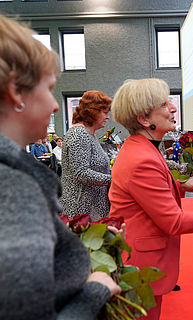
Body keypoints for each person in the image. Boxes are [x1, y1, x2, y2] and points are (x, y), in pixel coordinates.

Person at [0, 15, 120, 319]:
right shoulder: (15, 189)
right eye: (49, 89)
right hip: (83, 203)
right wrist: (95, 292)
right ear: (16, 92)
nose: (55, 106)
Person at [108, 78, 193, 320]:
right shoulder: (142, 158)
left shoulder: (143, 149)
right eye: (164, 104)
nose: (173, 108)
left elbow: (146, 196)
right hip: (142, 267)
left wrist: (180, 186)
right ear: (144, 119)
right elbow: (172, 221)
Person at [60, 90, 112, 221]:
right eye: (105, 113)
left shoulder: (89, 134)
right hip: (81, 209)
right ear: (92, 112)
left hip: (91, 206)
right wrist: (114, 179)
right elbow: (81, 173)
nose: (108, 117)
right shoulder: (79, 134)